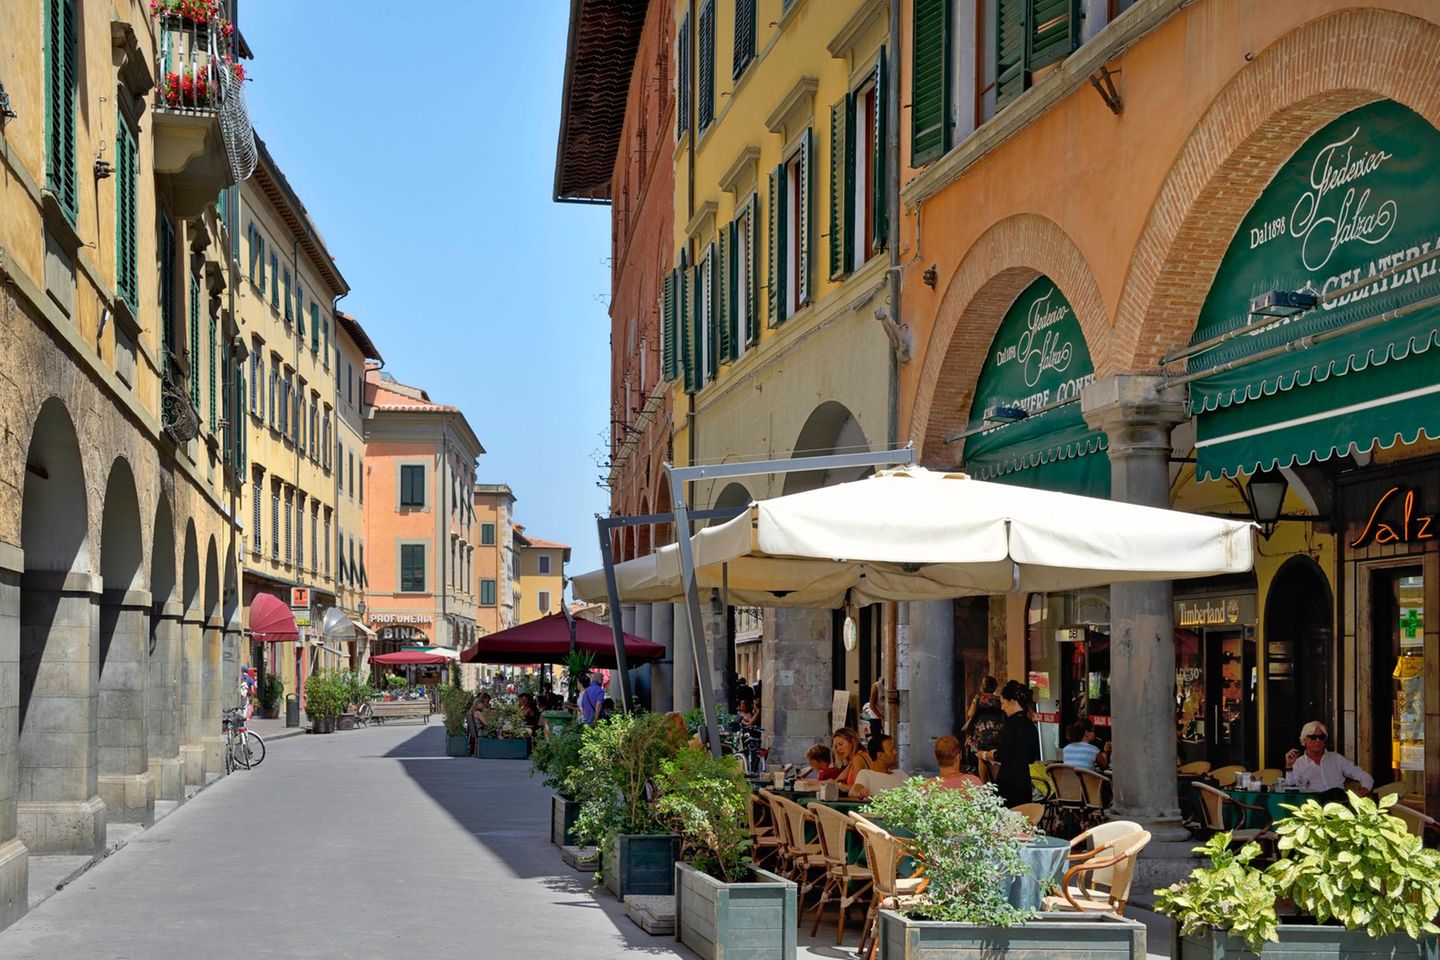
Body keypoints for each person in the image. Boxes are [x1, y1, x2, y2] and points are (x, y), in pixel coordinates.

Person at [977, 680, 1040, 808]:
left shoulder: (1010, 724)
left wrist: (986, 755)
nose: (1002, 708)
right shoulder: (1031, 726)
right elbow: (1031, 758)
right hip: (1024, 780)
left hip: (1008, 780)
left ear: (1012, 702)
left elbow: (1003, 754)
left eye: (1003, 703)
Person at [1285, 720, 1372, 795]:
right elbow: (1291, 789)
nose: (1318, 741)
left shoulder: (1336, 759)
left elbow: (1363, 776)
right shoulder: (1299, 763)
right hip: (1315, 803)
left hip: (1338, 802)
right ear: (1304, 740)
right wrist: (1289, 766)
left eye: (1321, 737)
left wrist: (1365, 788)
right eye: (1313, 737)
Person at [962, 676, 1005, 772]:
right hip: (996, 733)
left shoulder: (978, 699)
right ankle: (995, 779)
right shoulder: (999, 700)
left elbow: (970, 713)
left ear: (982, 686)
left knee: (981, 758)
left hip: (980, 734)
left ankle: (984, 780)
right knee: (994, 760)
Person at [851, 735, 909, 799]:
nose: (895, 752)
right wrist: (861, 793)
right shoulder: (866, 774)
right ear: (880, 755)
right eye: (891, 750)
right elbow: (853, 792)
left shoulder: (900, 773)